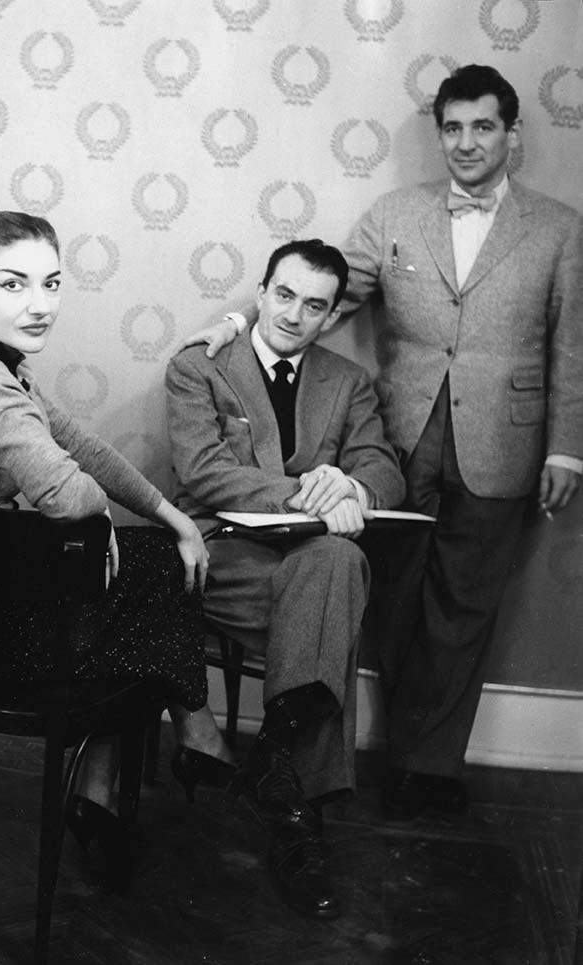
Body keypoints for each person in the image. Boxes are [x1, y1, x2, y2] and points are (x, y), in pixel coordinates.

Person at [181, 64, 583, 822]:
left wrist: (566, 446)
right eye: (453, 128)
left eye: (482, 127)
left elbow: (574, 345)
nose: (465, 142)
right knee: (393, 598)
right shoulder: (395, 213)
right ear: (439, 135)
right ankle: (375, 749)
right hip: (398, 439)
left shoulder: (559, 228)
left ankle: (427, 766)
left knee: (466, 603)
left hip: (505, 439)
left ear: (511, 135)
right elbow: (315, 292)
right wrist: (238, 322)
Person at [0, 210, 236, 882]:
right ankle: (188, 728)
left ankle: (125, 762)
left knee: (159, 557)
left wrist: (171, 516)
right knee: (159, 574)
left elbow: (81, 445)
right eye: (13, 285)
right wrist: (108, 525)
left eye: (51, 283)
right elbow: (68, 494)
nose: (39, 305)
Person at [166, 238, 404, 919]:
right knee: (334, 587)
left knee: (335, 560)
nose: (295, 315)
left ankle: (278, 774)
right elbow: (203, 470)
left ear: (331, 316)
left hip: (307, 566)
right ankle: (298, 815)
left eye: (315, 306)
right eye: (284, 295)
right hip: (220, 556)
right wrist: (308, 491)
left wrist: (352, 483)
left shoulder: (348, 382)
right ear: (262, 291)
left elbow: (383, 471)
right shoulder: (200, 366)